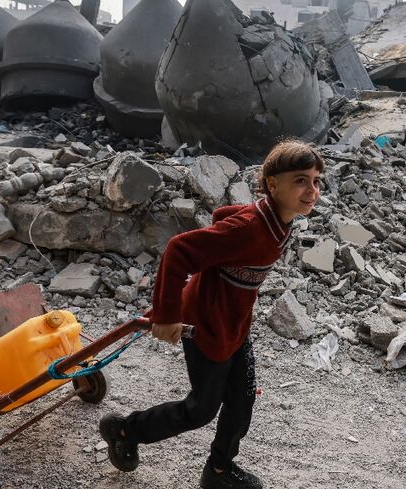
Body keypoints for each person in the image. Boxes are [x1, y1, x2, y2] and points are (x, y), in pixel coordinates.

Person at [99, 140, 324, 489]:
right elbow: (179, 250)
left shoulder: (278, 218)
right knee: (200, 410)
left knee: (242, 399)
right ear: (272, 185)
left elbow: (224, 220)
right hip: (205, 323)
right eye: (301, 180)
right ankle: (124, 430)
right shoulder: (251, 228)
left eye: (316, 180)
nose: (312, 190)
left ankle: (219, 471)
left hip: (233, 321)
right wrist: (166, 315)